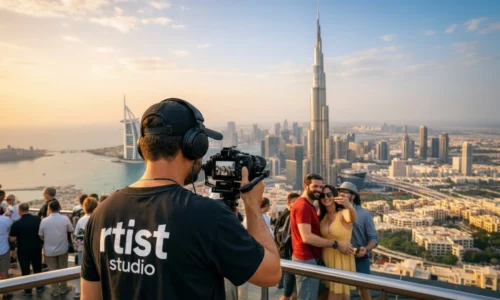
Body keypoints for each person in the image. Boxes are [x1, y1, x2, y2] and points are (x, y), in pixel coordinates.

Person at [81, 98, 281, 300]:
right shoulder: (208, 216)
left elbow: (89, 297)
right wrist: (252, 203)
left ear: (143, 148)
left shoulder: (101, 214)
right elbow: (271, 274)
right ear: (194, 146)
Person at [290, 174, 354, 300]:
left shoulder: (309, 206)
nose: (319, 190)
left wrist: (349, 206)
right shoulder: (303, 206)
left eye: (320, 187)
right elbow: (307, 237)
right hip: (306, 259)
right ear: (305, 186)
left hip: (312, 259)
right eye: (315, 186)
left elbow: (352, 218)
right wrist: (336, 244)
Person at [318, 185, 357, 300]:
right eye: (322, 195)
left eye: (329, 194)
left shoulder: (343, 213)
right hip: (326, 259)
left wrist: (349, 206)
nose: (326, 197)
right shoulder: (323, 216)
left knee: (335, 296)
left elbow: (352, 217)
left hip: (340, 260)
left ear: (335, 196)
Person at [340, 182, 377, 300]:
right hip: (339, 256)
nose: (342, 194)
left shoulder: (364, 214)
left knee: (364, 290)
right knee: (338, 289)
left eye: (345, 192)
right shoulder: (334, 212)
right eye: (340, 192)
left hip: (359, 257)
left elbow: (374, 239)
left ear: (353, 196)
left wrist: (365, 249)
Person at [39, 200, 74, 296]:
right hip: (63, 248)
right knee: (63, 268)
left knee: (52, 270)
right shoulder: (65, 218)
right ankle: (63, 287)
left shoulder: (44, 221)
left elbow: (40, 235)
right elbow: (71, 230)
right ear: (59, 207)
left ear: (49, 209)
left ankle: (55, 291)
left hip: (49, 250)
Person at [9, 203, 44, 296]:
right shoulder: (37, 219)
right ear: (28, 209)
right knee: (37, 268)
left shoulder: (17, 223)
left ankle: (27, 290)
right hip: (36, 247)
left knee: (25, 270)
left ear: (19, 210)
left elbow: (12, 238)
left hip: (23, 249)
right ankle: (39, 287)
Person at [274, 192, 300, 300]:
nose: (296, 205)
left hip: (289, 254)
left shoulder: (285, 215)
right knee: (288, 291)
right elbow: (283, 237)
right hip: (288, 255)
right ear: (288, 203)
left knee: (293, 289)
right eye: (294, 202)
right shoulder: (287, 217)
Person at [73, 197, 98, 299]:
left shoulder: (81, 220)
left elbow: (76, 233)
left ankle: (78, 291)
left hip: (82, 248)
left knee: (81, 269)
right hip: (95, 248)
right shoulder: (97, 217)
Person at [0, 208, 12, 298]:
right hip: (3, 249)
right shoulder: (6, 220)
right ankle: (5, 292)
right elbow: (10, 230)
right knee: (4, 271)